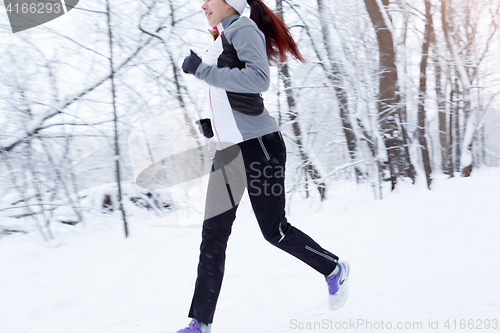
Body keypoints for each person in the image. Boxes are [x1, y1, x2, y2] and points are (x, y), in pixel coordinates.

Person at [176, 0, 350, 332]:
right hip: (228, 150)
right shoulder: (221, 38)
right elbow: (232, 94)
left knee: (275, 231)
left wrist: (201, 70)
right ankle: (200, 323)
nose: (202, 4)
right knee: (213, 236)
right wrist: (215, 123)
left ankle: (333, 268)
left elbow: (258, 79)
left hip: (258, 147)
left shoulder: (243, 28)